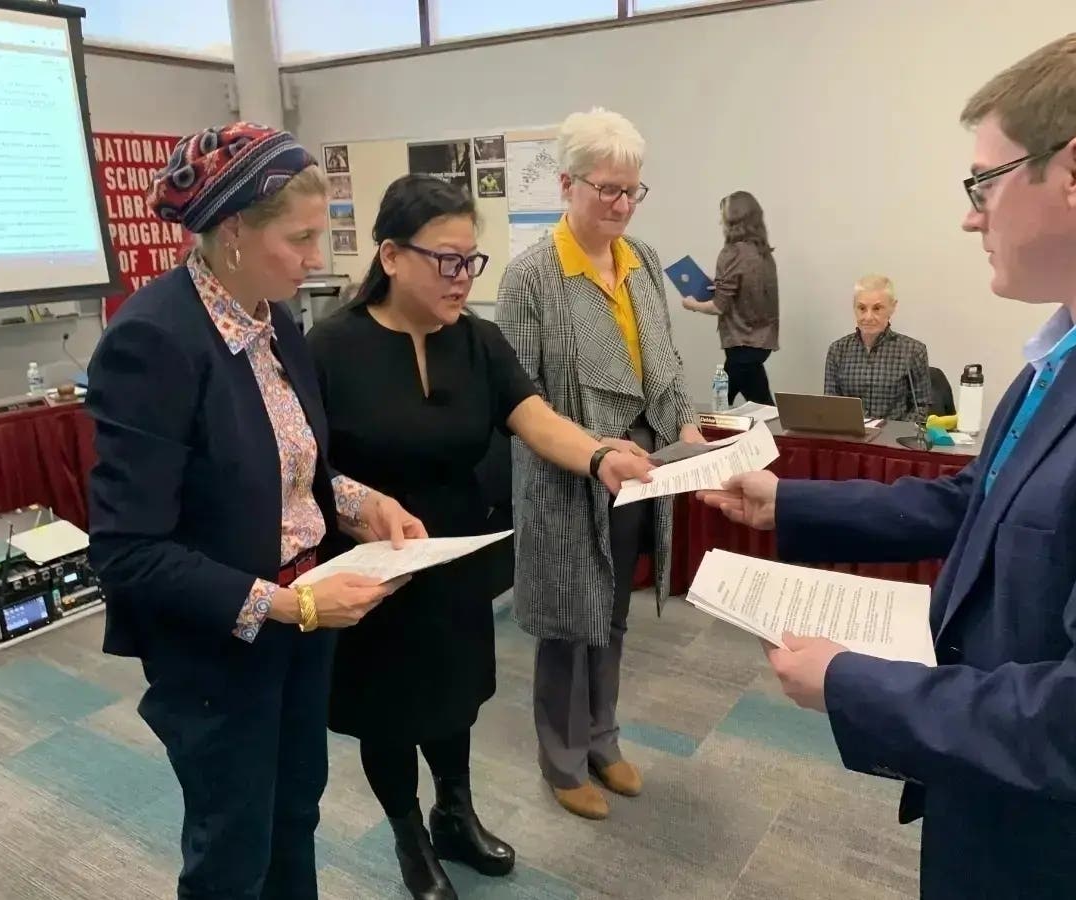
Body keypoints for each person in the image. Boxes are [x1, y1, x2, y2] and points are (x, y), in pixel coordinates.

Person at [701, 23, 1076, 899]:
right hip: (993, 811)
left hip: (1066, 857)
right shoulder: (1071, 348)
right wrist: (788, 502)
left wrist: (853, 685)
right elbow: (974, 504)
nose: (968, 213)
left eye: (984, 181)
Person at [87, 123, 424, 900]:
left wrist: (362, 504)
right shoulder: (153, 341)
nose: (317, 259)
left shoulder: (277, 321)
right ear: (233, 229)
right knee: (232, 844)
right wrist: (291, 604)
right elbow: (128, 551)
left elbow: (293, 474)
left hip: (302, 626)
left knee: (294, 811)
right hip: (222, 641)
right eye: (301, 238)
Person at [307, 174, 654, 900]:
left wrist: (598, 454)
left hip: (459, 556)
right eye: (446, 260)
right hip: (374, 564)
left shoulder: (479, 342)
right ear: (392, 256)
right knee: (389, 709)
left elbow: (534, 417)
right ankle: (408, 835)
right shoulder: (333, 347)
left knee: (455, 695)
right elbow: (307, 466)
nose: (462, 277)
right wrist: (358, 508)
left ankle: (454, 814)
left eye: (472, 260)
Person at [496, 108, 703, 821]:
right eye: (606, 189)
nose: (620, 205)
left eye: (631, 191)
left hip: (641, 473)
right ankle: (561, 760)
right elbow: (518, 397)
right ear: (566, 184)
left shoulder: (641, 260)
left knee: (611, 617)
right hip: (566, 480)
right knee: (567, 623)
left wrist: (684, 424)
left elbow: (664, 363)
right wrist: (592, 451)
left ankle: (602, 739)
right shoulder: (531, 278)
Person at [681, 190, 779, 405]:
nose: (720, 221)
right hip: (761, 344)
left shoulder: (732, 253)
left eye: (723, 216)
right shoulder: (763, 253)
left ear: (734, 218)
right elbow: (746, 290)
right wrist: (720, 284)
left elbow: (718, 306)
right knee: (724, 401)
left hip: (742, 344)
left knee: (754, 406)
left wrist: (692, 305)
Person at [823, 274, 929, 420]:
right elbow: (831, 405)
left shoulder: (913, 351)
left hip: (893, 439)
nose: (868, 317)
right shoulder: (837, 351)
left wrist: (894, 433)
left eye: (877, 308)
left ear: (892, 308)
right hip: (851, 437)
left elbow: (921, 407)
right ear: (854, 308)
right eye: (862, 308)